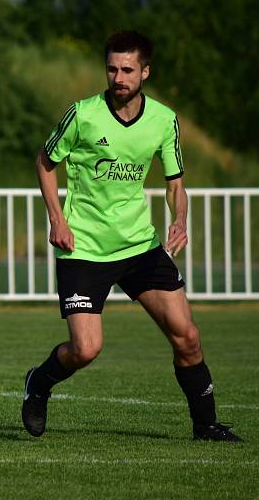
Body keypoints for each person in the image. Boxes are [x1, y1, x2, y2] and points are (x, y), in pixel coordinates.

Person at [21, 31, 242, 442]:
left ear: (145, 72)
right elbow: (45, 162)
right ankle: (39, 382)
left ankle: (206, 425)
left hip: (139, 246)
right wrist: (57, 218)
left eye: (127, 69)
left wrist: (180, 219)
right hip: (84, 248)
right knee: (86, 350)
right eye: (111, 68)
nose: (118, 77)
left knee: (188, 337)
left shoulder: (163, 120)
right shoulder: (83, 115)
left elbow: (175, 183)